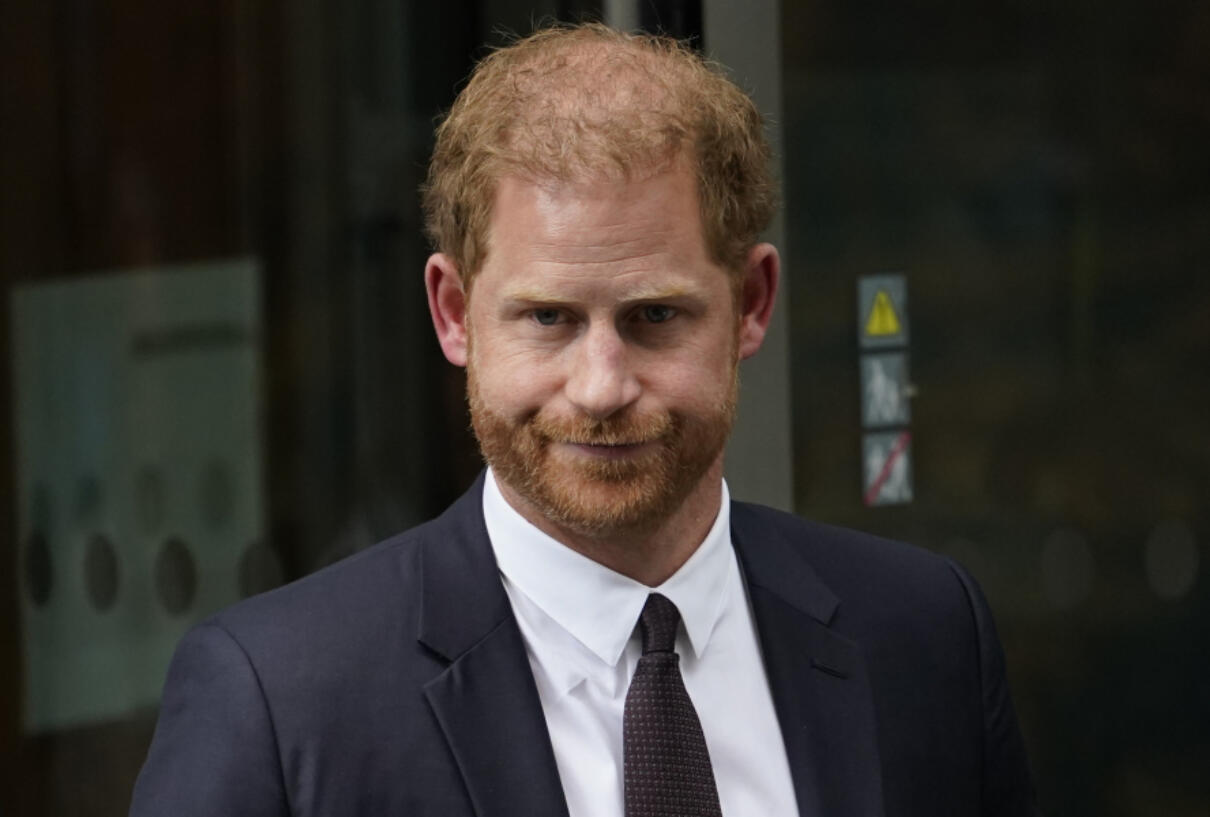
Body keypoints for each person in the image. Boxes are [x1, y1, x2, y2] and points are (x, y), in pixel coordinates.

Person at [130, 23, 1039, 817]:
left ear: (753, 302)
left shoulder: (923, 638)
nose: (601, 388)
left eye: (654, 317)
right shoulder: (278, 699)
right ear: (453, 314)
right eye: (548, 318)